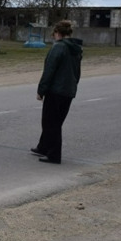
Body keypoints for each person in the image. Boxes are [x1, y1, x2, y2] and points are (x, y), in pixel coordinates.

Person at [31, 20, 83, 164]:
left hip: (56, 91)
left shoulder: (58, 48)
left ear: (57, 33)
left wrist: (41, 90)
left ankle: (54, 155)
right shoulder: (76, 49)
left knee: (50, 123)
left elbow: (49, 71)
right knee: (55, 121)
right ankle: (43, 146)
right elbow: (77, 73)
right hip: (68, 91)